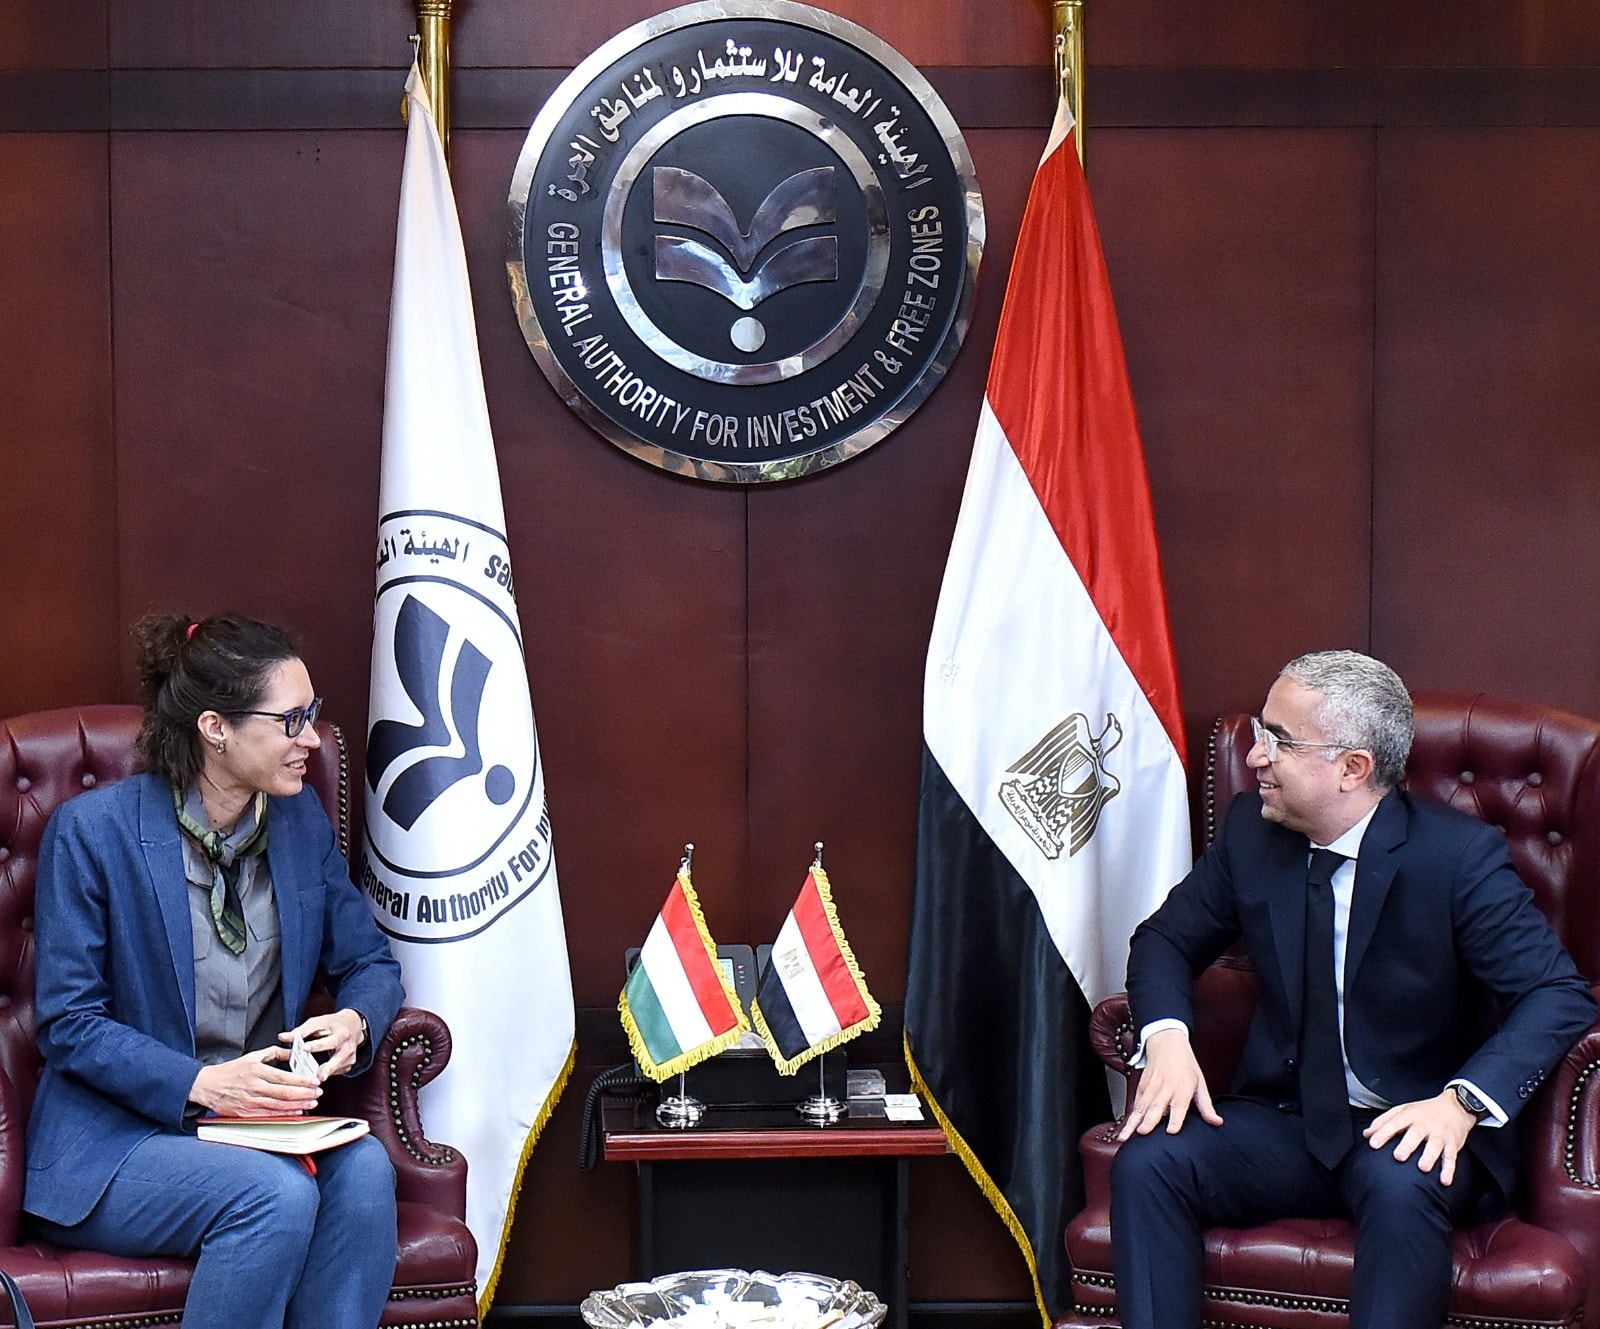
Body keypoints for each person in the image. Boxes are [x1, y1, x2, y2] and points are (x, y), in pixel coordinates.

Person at [1111, 650, 1596, 1329]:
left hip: (1412, 1119)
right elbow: (1164, 938)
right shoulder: (1252, 832)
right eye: (1261, 732)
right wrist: (1166, 1038)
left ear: (1353, 768)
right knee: (1151, 1161)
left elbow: (1555, 992)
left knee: (1401, 1184)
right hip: (1286, 1119)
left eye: (1279, 740)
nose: (1255, 756)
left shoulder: (1456, 858)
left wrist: (1460, 1103)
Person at [24, 613, 406, 1329]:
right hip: (118, 1144)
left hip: (256, 1131)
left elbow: (370, 962)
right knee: (274, 1196)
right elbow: (69, 1023)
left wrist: (355, 1020)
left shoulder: (300, 823)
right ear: (215, 728)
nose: (311, 739)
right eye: (291, 720)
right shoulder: (93, 832)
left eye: (313, 714)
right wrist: (202, 1084)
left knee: (365, 1173)